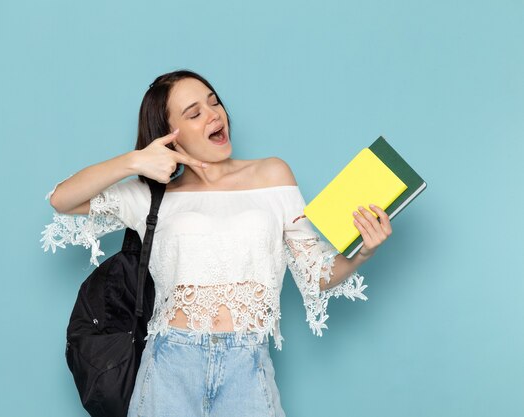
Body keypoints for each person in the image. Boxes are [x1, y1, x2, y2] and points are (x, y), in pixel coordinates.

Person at [41, 69, 392, 417]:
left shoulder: (272, 174)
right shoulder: (153, 196)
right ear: (170, 137)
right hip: (168, 366)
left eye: (214, 103)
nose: (214, 115)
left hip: (248, 362)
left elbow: (315, 273)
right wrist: (135, 160)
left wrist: (364, 252)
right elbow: (62, 200)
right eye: (194, 113)